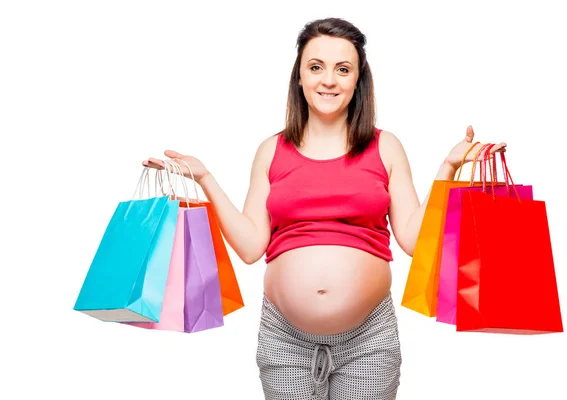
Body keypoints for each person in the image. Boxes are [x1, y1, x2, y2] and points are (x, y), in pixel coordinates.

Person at [143, 17, 506, 400]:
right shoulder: (271, 151)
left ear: (357, 80)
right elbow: (251, 247)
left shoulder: (386, 147)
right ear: (299, 77)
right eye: (316, 67)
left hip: (369, 337)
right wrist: (205, 178)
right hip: (285, 338)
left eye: (343, 69)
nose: (328, 80)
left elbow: (416, 241)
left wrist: (448, 168)